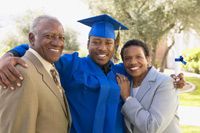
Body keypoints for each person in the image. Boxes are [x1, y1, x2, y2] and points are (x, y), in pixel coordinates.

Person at [0, 14, 185, 133]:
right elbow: (41, 48)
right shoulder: (71, 65)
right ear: (87, 44)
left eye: (107, 43)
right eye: (95, 42)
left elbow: (144, 72)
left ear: (114, 46)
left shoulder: (120, 72)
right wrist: (9, 55)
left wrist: (173, 80)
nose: (101, 48)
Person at [0, 15, 71, 133]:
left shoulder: (51, 69)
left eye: (61, 37)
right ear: (32, 38)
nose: (57, 43)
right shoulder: (20, 73)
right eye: (49, 36)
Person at [116, 39, 181, 133]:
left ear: (148, 59)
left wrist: (127, 98)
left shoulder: (165, 83)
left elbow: (152, 127)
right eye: (128, 58)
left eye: (139, 57)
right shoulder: (125, 82)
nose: (133, 62)